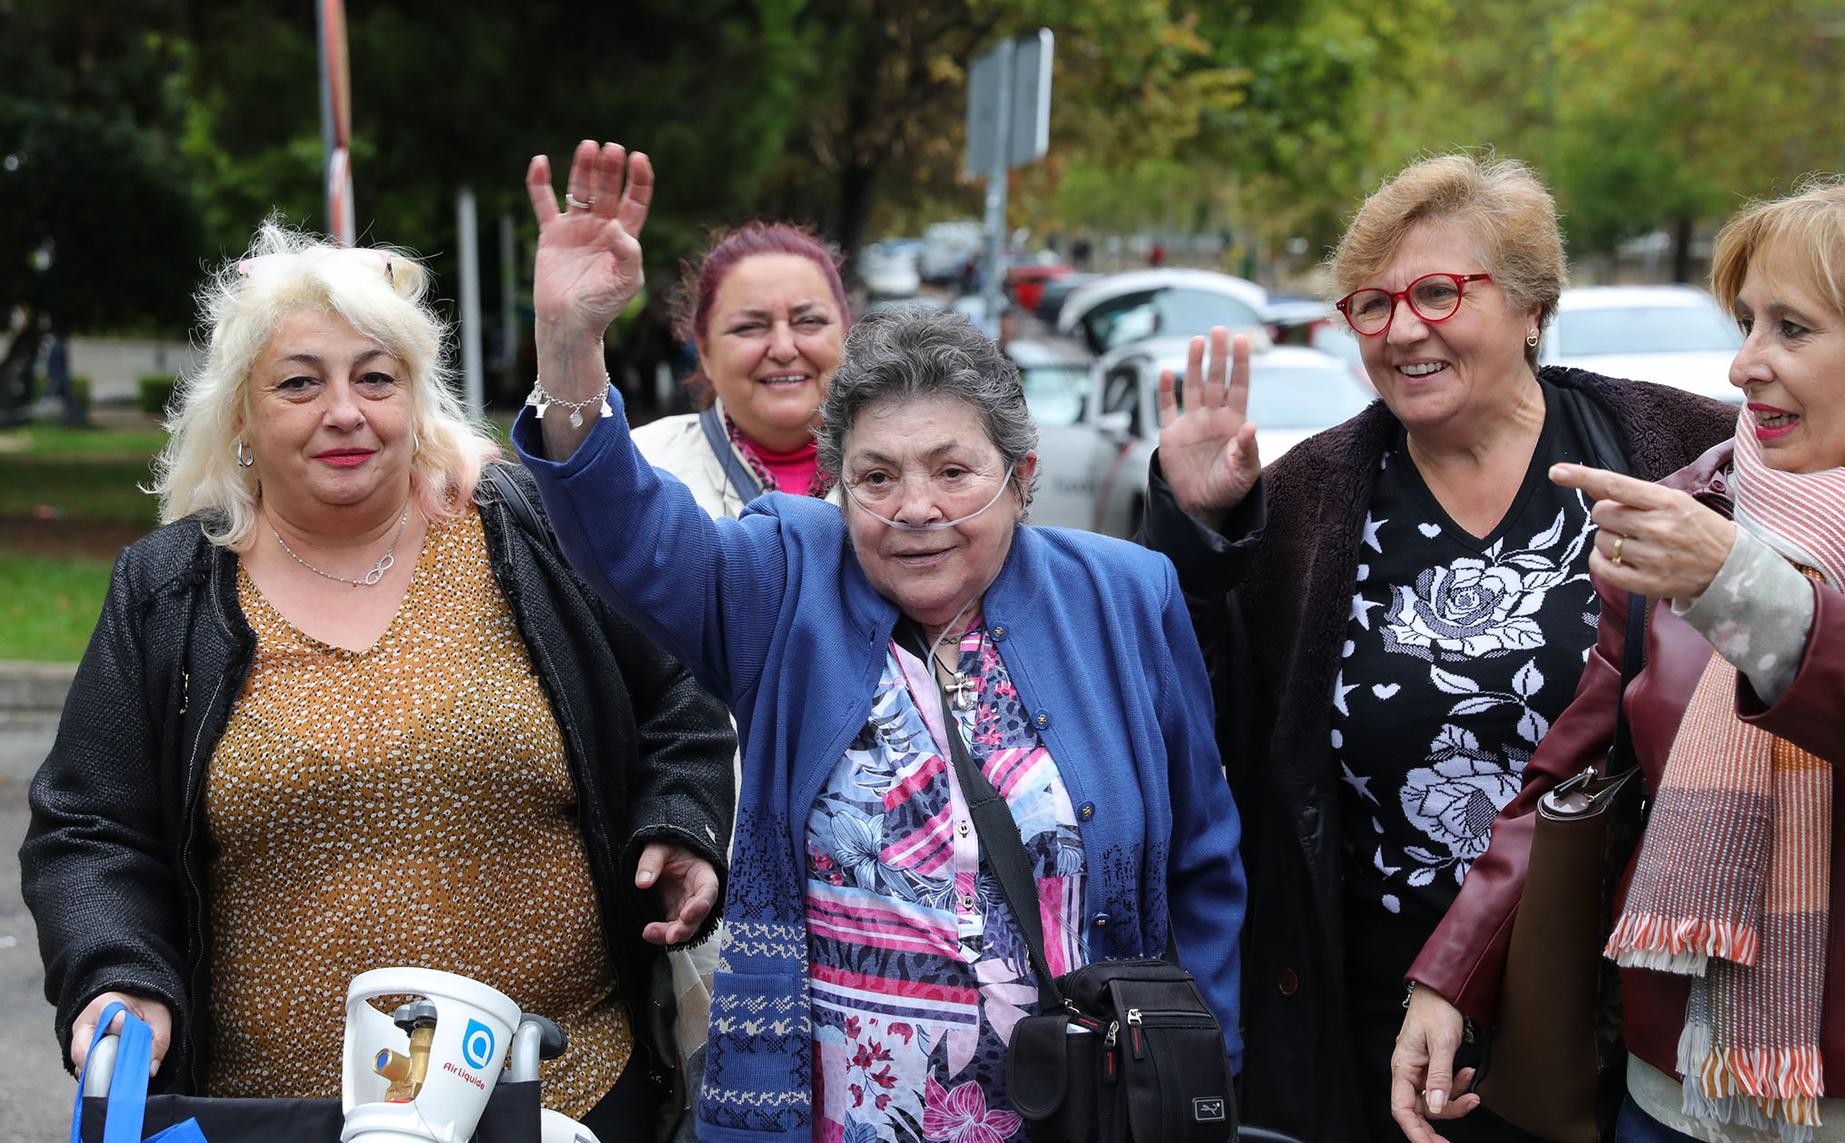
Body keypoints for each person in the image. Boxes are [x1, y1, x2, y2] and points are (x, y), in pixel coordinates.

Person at [514, 139, 1245, 1143]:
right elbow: (627, 539)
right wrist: (568, 343)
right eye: (876, 476)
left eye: (953, 471)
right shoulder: (784, 579)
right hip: (843, 1114)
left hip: (1084, 1109)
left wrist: (1201, 1066)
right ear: (836, 484)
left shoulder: (1123, 595)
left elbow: (1203, 856)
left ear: (1020, 475)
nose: (914, 510)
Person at [18, 223, 738, 1140]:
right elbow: (89, 825)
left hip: (563, 1097)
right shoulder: (167, 592)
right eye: (298, 382)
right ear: (240, 413)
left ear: (416, 394)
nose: (345, 411)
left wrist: (678, 819)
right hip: (279, 1116)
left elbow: (678, 692)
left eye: (375, 376)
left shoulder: (524, 531)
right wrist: (117, 970)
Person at [1395, 167, 1845, 1143]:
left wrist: (1742, 589)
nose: (1742, 367)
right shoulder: (1697, 509)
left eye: (1790, 330)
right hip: (1668, 1095)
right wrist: (1449, 978)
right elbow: (1569, 772)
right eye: (1746, 323)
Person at [1143, 154, 1737, 1142]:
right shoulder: (1308, 498)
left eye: (1434, 292)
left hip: (1629, 1009)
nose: (1400, 329)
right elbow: (1204, 722)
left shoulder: (1683, 451)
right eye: (1369, 305)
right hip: (1382, 1014)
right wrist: (1200, 535)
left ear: (1530, 306)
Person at [628, 223, 850, 517]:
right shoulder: (639, 468)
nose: (783, 349)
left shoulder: (913, 464)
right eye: (750, 326)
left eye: (808, 321)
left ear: (846, 335)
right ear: (704, 350)